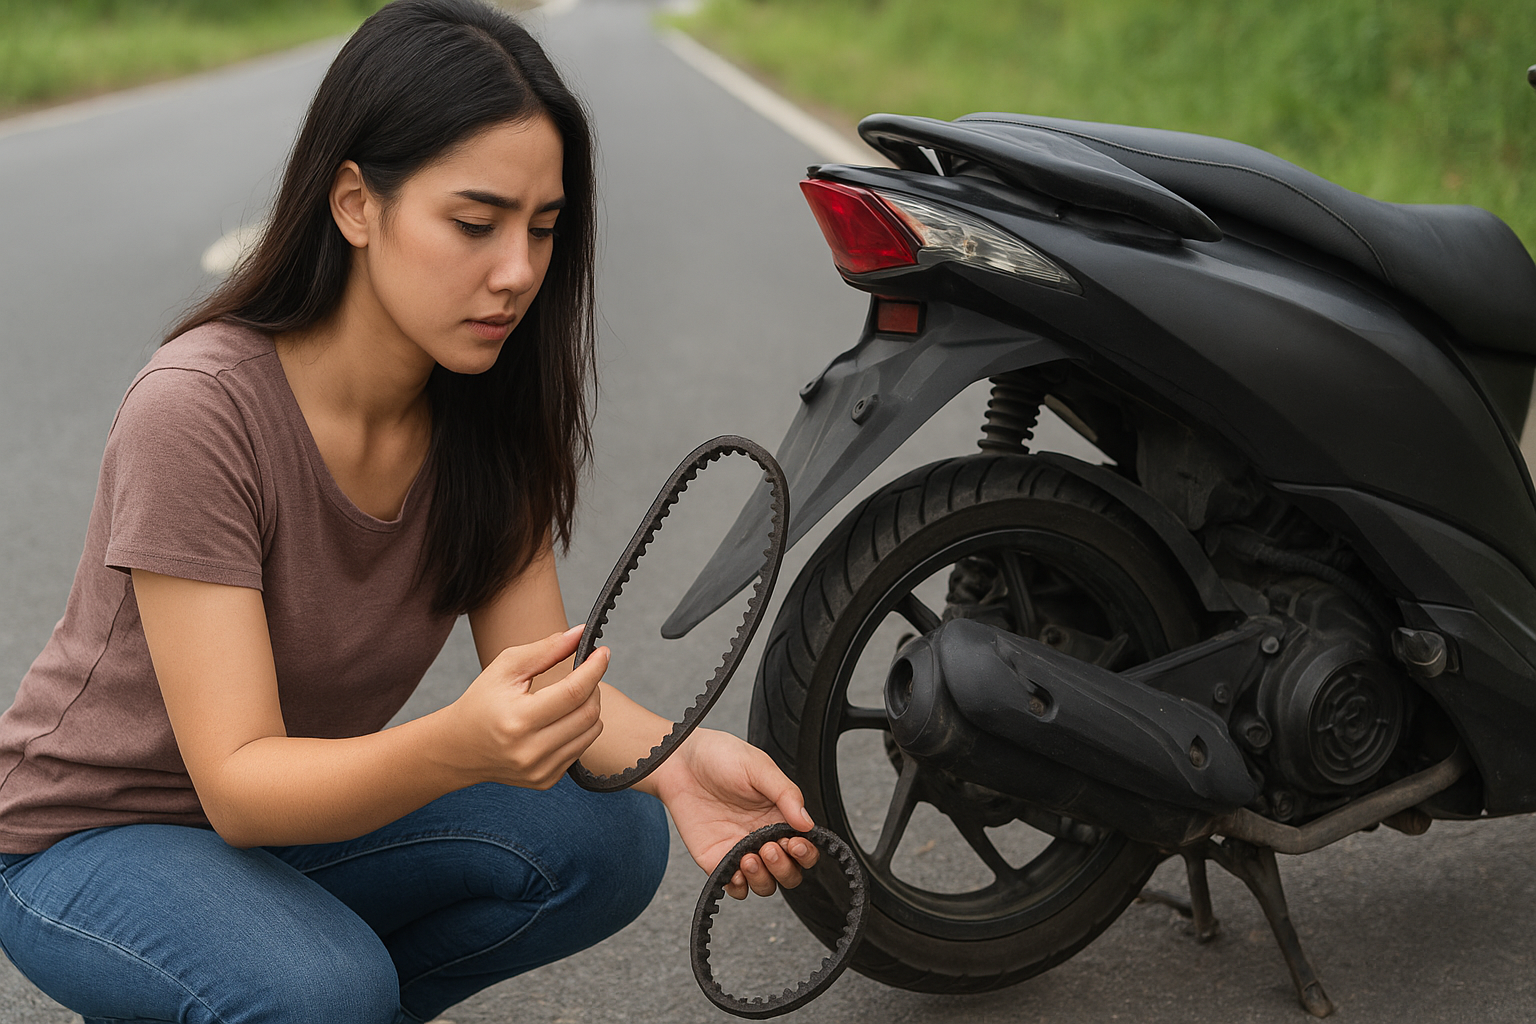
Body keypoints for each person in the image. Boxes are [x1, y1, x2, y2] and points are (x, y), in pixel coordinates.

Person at [0, 2, 819, 1021]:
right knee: (325, 990)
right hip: (88, 843)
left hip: (297, 818)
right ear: (356, 203)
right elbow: (242, 785)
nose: (517, 271)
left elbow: (551, 688)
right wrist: (461, 743)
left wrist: (685, 761)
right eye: (474, 224)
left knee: (609, 838)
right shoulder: (199, 411)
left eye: (543, 228)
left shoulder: (486, 410)